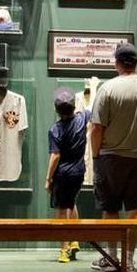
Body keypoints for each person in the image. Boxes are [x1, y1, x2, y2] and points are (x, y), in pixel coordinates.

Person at [88, 43, 137, 272]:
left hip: (111, 157)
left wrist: (95, 155)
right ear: (136, 62)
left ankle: (112, 258)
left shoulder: (108, 88)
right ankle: (129, 261)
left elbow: (96, 128)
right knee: (134, 210)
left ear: (117, 63)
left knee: (110, 208)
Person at [46, 87, 90, 263]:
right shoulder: (81, 119)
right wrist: (93, 88)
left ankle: (64, 249)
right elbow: (91, 107)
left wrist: (48, 178)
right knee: (71, 203)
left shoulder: (55, 129)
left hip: (63, 174)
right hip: (79, 172)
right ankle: (75, 240)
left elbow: (55, 156)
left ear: (56, 110)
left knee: (61, 210)